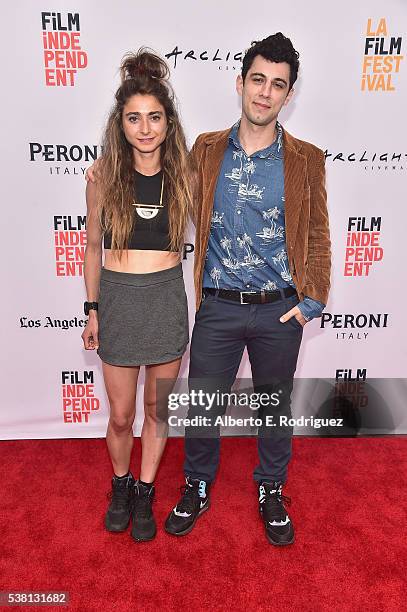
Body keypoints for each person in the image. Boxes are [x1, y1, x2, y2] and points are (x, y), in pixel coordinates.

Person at [164, 32, 331, 546]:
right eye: (257, 80)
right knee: (203, 405)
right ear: (240, 84)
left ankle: (272, 488)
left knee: (275, 407)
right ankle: (197, 483)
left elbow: (318, 234)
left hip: (280, 309)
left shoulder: (306, 158)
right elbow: (169, 196)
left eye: (277, 85)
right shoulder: (207, 150)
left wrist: (312, 301)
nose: (265, 92)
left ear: (289, 94)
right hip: (218, 304)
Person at [81, 48, 192, 542]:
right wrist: (92, 309)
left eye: (154, 117)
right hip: (120, 299)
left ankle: (147, 491)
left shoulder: (187, 175)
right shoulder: (103, 175)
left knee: (157, 413)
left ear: (168, 122)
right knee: (122, 416)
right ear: (120, 124)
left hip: (166, 299)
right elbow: (90, 248)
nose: (144, 128)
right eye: (134, 118)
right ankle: (121, 484)